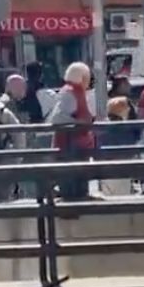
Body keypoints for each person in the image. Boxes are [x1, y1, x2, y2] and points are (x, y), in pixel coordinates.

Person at [47, 62, 96, 200]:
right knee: (71, 180)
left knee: (78, 178)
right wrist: (79, 122)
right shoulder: (71, 92)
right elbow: (57, 118)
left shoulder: (75, 91)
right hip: (70, 145)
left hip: (76, 144)